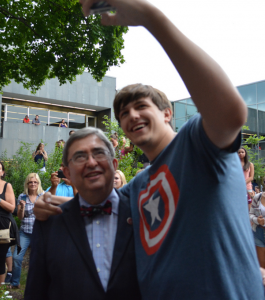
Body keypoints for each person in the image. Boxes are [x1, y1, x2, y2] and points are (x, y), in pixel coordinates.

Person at [34, 0, 264, 298]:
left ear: (167, 113)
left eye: (141, 106)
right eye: (123, 114)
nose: (131, 116)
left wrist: (152, 19)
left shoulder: (197, 142)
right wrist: (46, 209)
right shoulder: (137, 187)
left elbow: (232, 113)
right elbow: (96, 205)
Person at [25, 128, 141, 300]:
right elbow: (36, 291)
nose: (91, 163)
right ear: (68, 173)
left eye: (99, 153)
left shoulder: (142, 215)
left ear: (114, 164)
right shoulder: (49, 222)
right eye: (80, 157)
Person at [9, 173, 44, 289]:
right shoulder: (22, 196)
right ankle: (15, 283)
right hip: (25, 233)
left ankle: (39, 285)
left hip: (40, 233)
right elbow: (19, 217)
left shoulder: (43, 195)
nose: (33, 184)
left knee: (40, 260)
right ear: (27, 184)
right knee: (16, 258)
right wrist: (22, 208)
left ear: (38, 183)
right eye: (30, 182)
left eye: (35, 182)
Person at [250, 192, 265, 268]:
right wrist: (257, 220)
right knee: (261, 266)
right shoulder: (258, 197)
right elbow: (251, 214)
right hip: (259, 232)